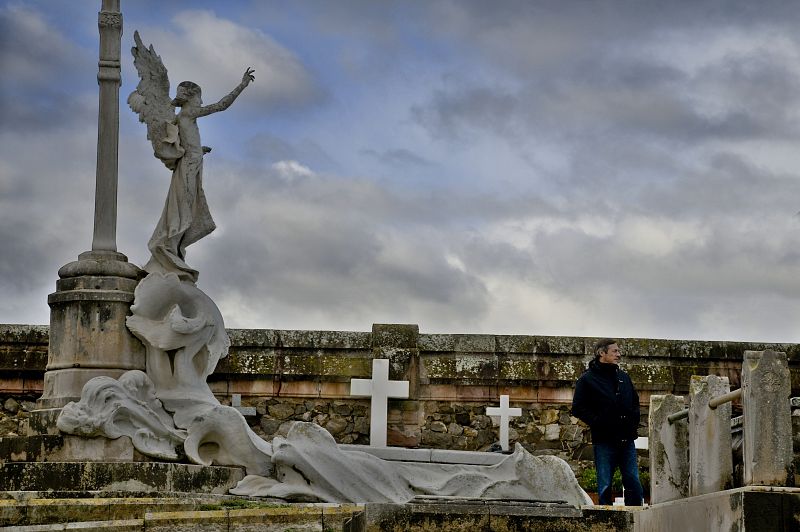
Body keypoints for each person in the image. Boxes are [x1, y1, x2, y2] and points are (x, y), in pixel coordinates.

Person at [571, 338, 643, 505]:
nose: (619, 354)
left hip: (626, 439)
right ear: (602, 353)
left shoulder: (624, 377)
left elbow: (635, 402)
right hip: (604, 440)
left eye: (618, 351)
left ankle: (636, 520)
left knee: (633, 481)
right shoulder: (587, 379)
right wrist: (598, 422)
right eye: (615, 351)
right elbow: (578, 408)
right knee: (604, 485)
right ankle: (605, 522)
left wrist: (632, 423)